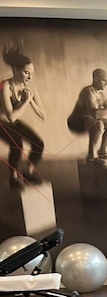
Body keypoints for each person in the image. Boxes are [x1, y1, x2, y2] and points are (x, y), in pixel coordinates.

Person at [0, 43, 46, 189]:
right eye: (26, 72)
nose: (30, 76)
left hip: (11, 122)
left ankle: (28, 173)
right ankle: (13, 178)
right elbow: (11, 117)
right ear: (15, 70)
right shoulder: (4, 86)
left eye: (32, 72)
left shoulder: (29, 89)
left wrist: (32, 102)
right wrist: (26, 101)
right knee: (17, 145)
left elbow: (43, 115)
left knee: (39, 144)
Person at [70, 68, 107, 165]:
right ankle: (91, 156)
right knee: (98, 123)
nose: (106, 84)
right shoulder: (87, 91)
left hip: (88, 120)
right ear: (95, 79)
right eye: (104, 80)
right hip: (76, 122)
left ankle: (102, 151)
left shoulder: (101, 95)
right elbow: (95, 114)